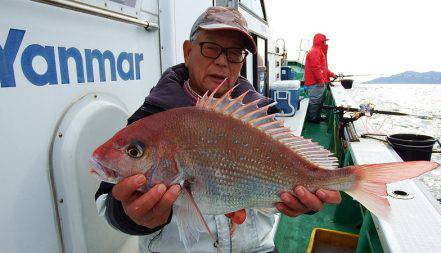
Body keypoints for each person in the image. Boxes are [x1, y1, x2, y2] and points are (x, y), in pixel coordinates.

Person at [95, 7, 341, 252]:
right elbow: (106, 201)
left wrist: (306, 201)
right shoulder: (150, 122)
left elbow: (289, 175)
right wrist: (132, 218)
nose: (222, 61)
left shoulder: (261, 117)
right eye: (211, 47)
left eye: (235, 53)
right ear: (188, 51)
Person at [304, 33, 336, 123]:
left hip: (319, 82)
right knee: (315, 102)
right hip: (315, 83)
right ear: (320, 41)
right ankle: (312, 118)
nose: (326, 43)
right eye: (324, 41)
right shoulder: (315, 52)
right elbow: (315, 68)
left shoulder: (319, 51)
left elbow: (323, 68)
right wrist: (321, 81)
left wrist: (332, 74)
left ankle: (316, 116)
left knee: (319, 101)